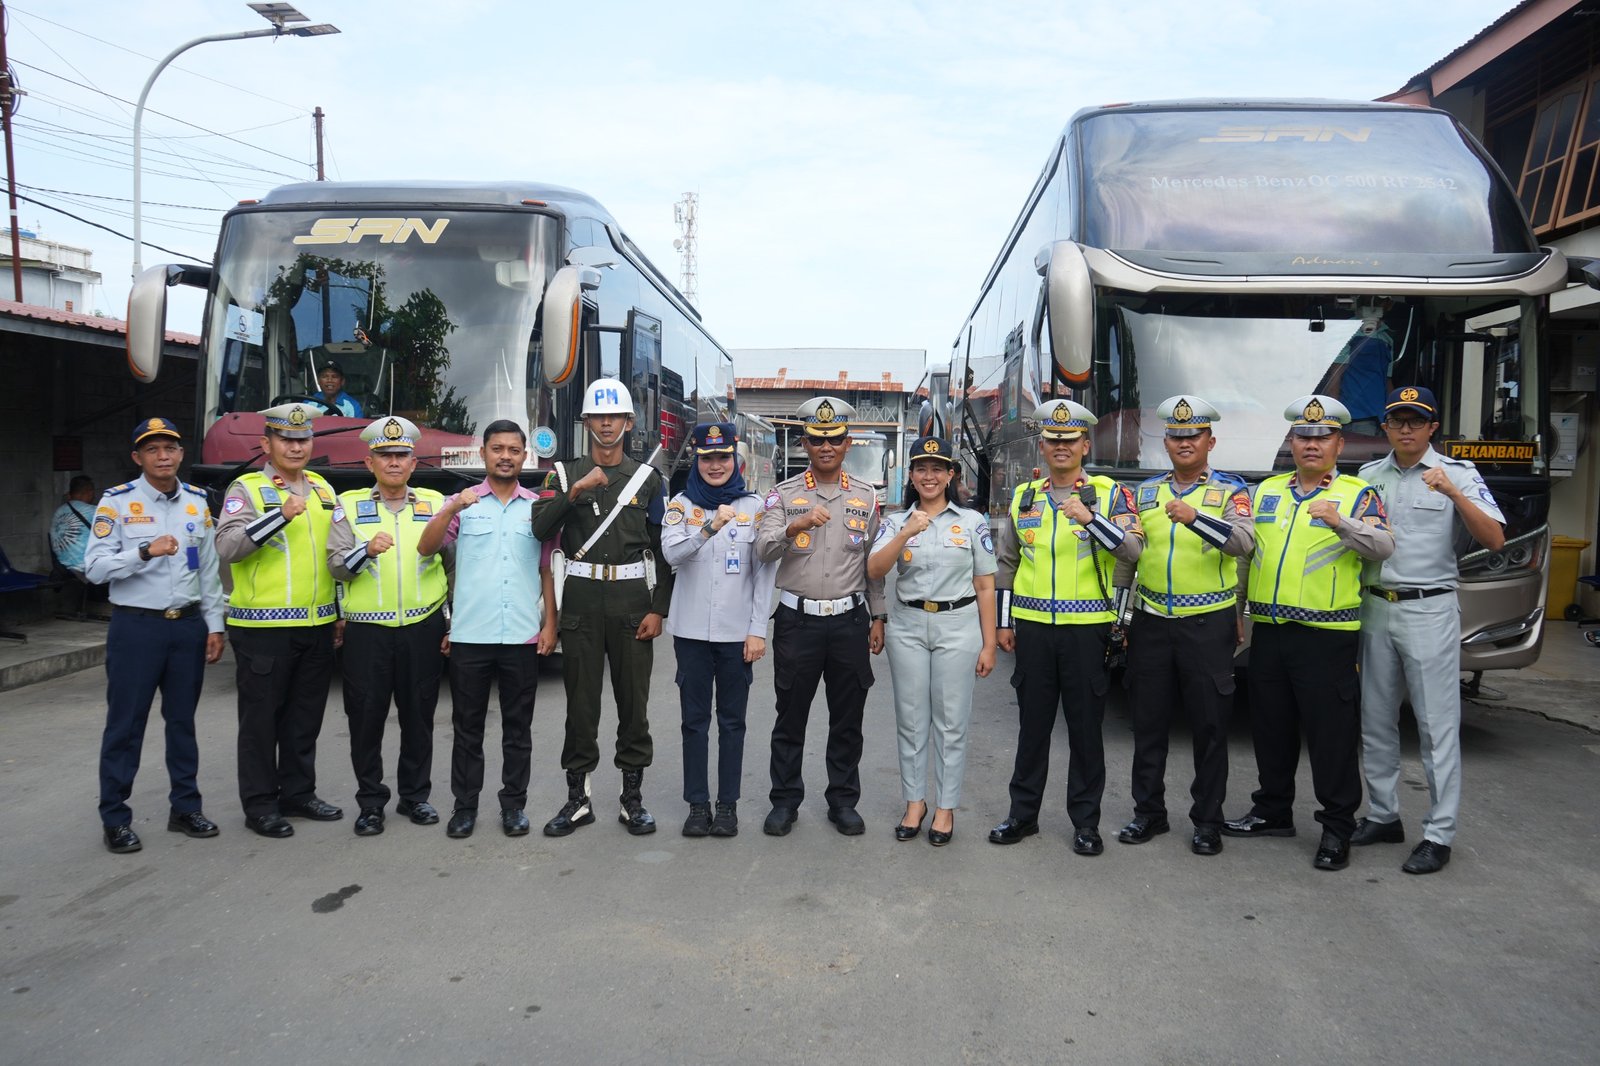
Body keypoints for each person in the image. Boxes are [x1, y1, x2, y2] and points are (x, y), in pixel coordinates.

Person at [1223, 395, 1395, 871]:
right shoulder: (1266, 491)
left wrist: (1341, 522)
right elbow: (1245, 558)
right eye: (1303, 436)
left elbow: (1383, 547)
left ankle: (1337, 827)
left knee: (1330, 737)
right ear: (1291, 443)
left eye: (1322, 437)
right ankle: (1272, 811)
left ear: (1339, 443)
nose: (1312, 445)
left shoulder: (1359, 494)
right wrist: (1238, 611)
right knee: (1271, 728)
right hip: (1272, 632)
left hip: (1327, 635)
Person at [1353, 386, 1505, 875]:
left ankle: (1438, 834)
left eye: (1415, 421)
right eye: (1397, 420)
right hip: (1376, 607)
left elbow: (1495, 539)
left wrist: (1455, 494)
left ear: (1432, 427)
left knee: (1437, 727)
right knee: (1375, 721)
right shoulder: (1368, 476)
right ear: (1386, 427)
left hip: (1429, 610)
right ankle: (1382, 814)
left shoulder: (1457, 474)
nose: (1405, 428)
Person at [990, 399, 1143, 855]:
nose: (1061, 447)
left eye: (1069, 440)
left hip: (1086, 630)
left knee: (1084, 730)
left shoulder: (1110, 494)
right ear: (1043, 445)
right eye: (1053, 440)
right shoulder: (1025, 496)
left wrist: (1092, 520)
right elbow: (1007, 563)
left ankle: (1086, 823)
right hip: (1034, 628)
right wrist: (1003, 623)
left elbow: (1133, 552)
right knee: (1032, 728)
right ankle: (1022, 815)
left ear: (1084, 443)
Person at [1112, 397, 1254, 856]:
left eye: (1193, 435)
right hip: (1152, 622)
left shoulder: (1232, 491)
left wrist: (1196, 518)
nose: (1184, 442)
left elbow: (1243, 544)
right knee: (1148, 724)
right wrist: (1121, 615)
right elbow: (1129, 560)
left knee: (1210, 727)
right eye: (1176, 435)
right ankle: (1147, 813)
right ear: (1166, 442)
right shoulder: (1147, 492)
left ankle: (1207, 821)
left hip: (1206, 624)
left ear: (1210, 441)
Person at [531, 378, 673, 837]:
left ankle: (632, 799)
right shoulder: (562, 474)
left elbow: (664, 550)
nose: (606, 423)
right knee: (581, 705)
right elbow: (539, 528)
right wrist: (575, 492)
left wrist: (659, 609)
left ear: (629, 422)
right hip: (582, 603)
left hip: (634, 604)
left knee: (634, 705)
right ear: (587, 422)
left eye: (615, 416)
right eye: (598, 416)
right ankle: (577, 799)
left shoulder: (649, 479)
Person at [84, 419, 225, 854]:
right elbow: (94, 569)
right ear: (137, 458)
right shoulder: (116, 503)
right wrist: (143, 551)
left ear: (181, 454)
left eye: (170, 448)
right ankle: (116, 818)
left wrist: (215, 624)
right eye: (153, 449)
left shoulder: (198, 503)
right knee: (126, 726)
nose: (163, 456)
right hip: (137, 628)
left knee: (182, 723)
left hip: (186, 625)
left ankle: (185, 807)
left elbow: (209, 571)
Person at [418, 420, 557, 839]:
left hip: (520, 635)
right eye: (498, 448)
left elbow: (547, 569)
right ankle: (465, 807)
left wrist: (550, 623)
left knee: (518, 730)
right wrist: (449, 509)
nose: (506, 456)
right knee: (467, 728)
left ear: (523, 456)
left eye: (514, 450)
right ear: (483, 454)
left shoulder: (536, 507)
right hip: (470, 636)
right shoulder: (462, 503)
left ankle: (514, 806)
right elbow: (427, 548)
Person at [755, 396, 886, 837]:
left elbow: (872, 563)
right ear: (805, 442)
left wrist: (878, 616)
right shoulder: (784, 494)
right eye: (816, 439)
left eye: (833, 439)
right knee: (790, 716)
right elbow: (762, 549)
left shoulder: (865, 497)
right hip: (798, 622)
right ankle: (784, 802)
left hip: (849, 622)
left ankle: (843, 801)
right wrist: (795, 526)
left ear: (846, 443)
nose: (825, 446)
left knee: (847, 719)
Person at [215, 403, 342, 839]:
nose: (295, 446)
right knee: (260, 722)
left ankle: (298, 793)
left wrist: (339, 610)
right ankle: (260, 804)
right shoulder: (246, 488)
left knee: (304, 719)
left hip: (318, 623)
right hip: (261, 628)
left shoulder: (325, 489)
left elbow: (334, 556)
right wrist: (279, 516)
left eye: (302, 439)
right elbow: (227, 547)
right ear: (266, 443)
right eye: (286, 439)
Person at [867, 435, 996, 847]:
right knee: (911, 718)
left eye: (937, 468)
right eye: (921, 468)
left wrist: (989, 643)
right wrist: (905, 532)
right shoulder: (894, 521)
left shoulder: (971, 521)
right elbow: (874, 569)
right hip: (907, 624)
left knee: (951, 722)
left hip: (958, 625)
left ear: (950, 474)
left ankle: (945, 807)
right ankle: (914, 802)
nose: (929, 476)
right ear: (911, 474)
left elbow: (985, 584)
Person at [327, 416, 451, 837]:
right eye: (385, 455)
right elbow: (336, 567)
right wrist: (365, 550)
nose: (393, 462)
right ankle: (370, 803)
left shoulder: (435, 503)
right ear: (369, 462)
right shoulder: (346, 505)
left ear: (413, 463)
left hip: (422, 626)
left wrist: (452, 621)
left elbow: (453, 566)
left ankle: (415, 797)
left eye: (401, 455)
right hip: (367, 632)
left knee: (420, 715)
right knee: (366, 718)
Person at [661, 421, 777, 838]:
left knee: (732, 722)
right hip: (690, 632)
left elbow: (764, 573)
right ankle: (697, 805)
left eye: (723, 457)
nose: (715, 465)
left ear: (735, 459)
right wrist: (708, 528)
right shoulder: (680, 504)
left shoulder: (755, 506)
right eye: (707, 458)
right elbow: (671, 554)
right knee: (694, 721)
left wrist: (758, 630)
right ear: (697, 459)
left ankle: (727, 806)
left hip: (735, 634)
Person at [51, 475, 97, 576]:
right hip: (85, 567)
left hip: (62, 567)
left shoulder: (58, 511)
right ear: (89, 492)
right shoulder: (94, 511)